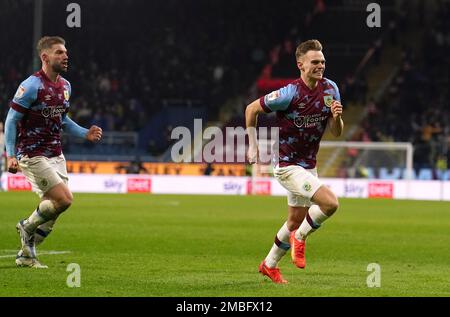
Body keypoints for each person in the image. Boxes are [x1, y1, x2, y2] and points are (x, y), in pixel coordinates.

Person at [245, 39, 344, 283]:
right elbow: (251, 110)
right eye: (315, 62)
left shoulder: (330, 89)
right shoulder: (289, 93)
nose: (320, 66)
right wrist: (253, 144)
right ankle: (300, 238)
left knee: (294, 220)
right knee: (331, 204)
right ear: (301, 64)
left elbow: (336, 131)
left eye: (322, 61)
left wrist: (337, 118)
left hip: (309, 165)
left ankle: (269, 265)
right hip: (288, 165)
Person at [4, 36, 102, 268]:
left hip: (56, 154)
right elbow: (10, 120)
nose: (65, 56)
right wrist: (10, 155)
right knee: (65, 199)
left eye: (66, 52)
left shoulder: (66, 86)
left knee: (55, 209)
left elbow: (63, 120)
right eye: (59, 52)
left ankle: (26, 255)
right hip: (32, 153)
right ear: (45, 57)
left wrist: (85, 133)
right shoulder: (31, 86)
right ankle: (26, 225)